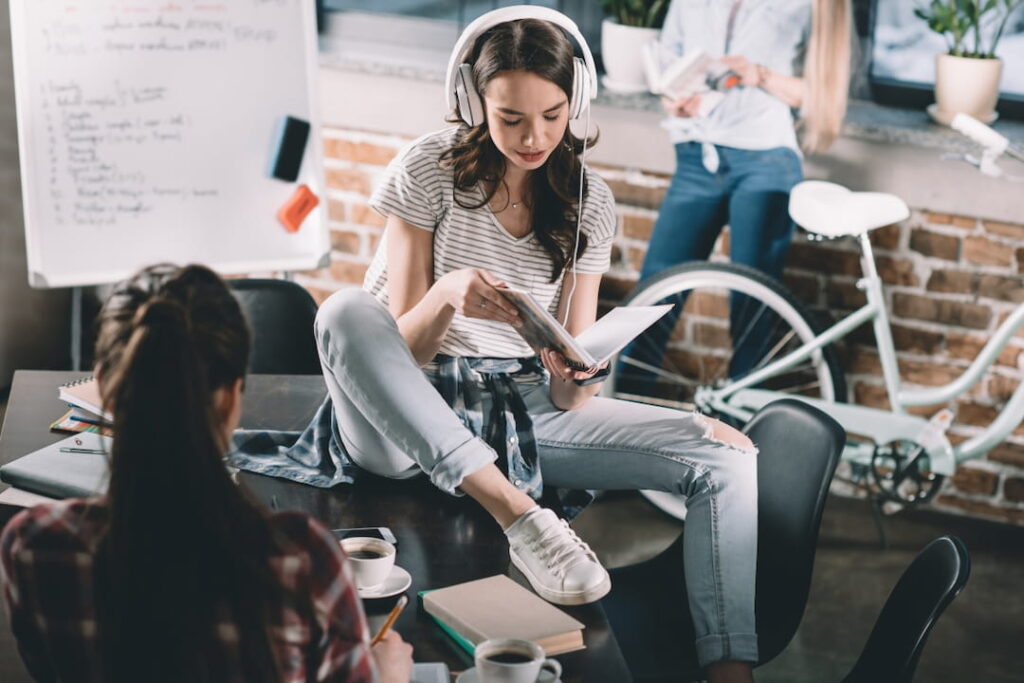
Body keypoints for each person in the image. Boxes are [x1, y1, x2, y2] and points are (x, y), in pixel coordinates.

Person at [307, 8, 760, 682]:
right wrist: (449, 294)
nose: (534, 136)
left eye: (551, 115)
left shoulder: (588, 199)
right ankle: (520, 514)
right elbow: (398, 344)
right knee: (344, 311)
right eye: (511, 117)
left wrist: (576, 372)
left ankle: (731, 672)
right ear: (472, 101)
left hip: (514, 409)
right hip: (400, 415)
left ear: (574, 101)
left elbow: (568, 394)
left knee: (722, 457)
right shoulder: (427, 169)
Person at [0, 264, 413, 683]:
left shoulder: (33, 547)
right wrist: (387, 676)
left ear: (104, 389)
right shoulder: (305, 562)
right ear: (234, 395)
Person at [627, 0, 852, 383]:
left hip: (765, 160)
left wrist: (759, 75)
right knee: (653, 295)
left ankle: (745, 428)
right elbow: (670, 62)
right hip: (697, 155)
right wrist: (676, 99)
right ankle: (621, 408)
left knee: (753, 308)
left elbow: (823, 97)